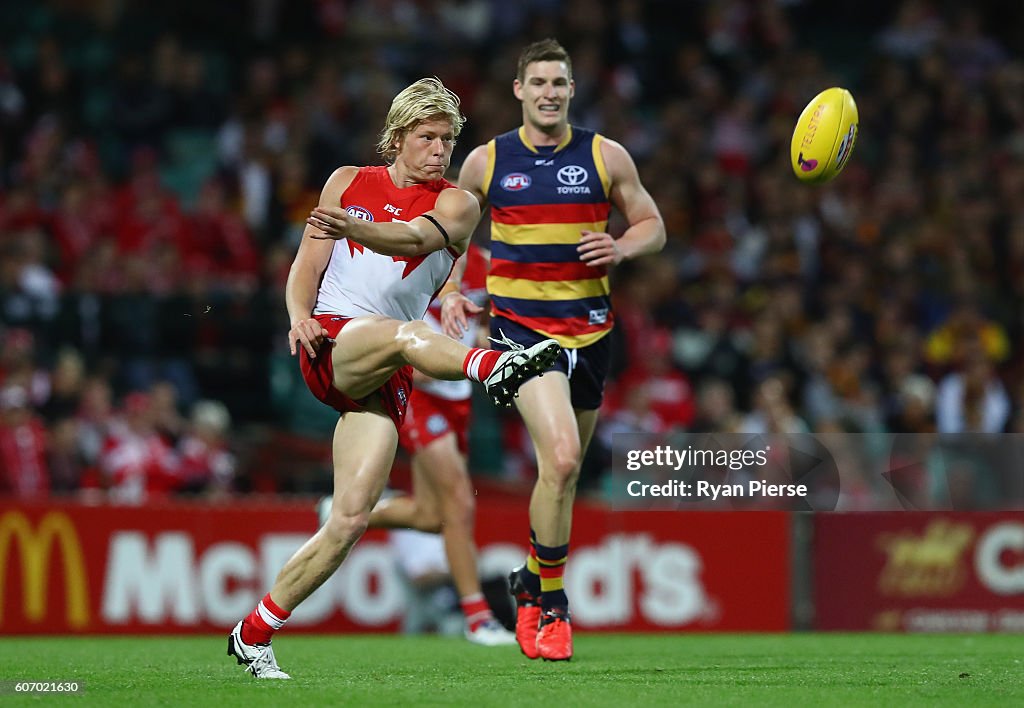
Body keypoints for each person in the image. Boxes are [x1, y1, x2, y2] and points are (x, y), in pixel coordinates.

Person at [227, 77, 561, 679]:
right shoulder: (346, 180)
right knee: (405, 334)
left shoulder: (458, 204)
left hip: (381, 378)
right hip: (334, 341)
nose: (440, 150)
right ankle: (494, 367)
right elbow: (304, 267)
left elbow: (411, 239)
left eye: (448, 139)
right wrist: (299, 317)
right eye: (428, 138)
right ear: (398, 136)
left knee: (350, 519)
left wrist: (355, 229)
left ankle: (254, 633)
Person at [443, 39, 666, 661]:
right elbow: (453, 234)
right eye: (537, 82)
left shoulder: (605, 155)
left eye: (559, 84)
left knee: (560, 478)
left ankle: (525, 579)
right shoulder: (486, 162)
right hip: (520, 331)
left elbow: (654, 224)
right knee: (563, 460)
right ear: (519, 89)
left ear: (571, 90)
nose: (548, 93)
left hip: (591, 333)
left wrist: (622, 246)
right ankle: (553, 607)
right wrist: (454, 288)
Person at [317, 244, 516, 646]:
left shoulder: (486, 264)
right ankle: (478, 618)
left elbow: (483, 322)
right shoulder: (409, 260)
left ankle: (345, 513)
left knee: (431, 514)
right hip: (420, 393)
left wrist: (481, 336)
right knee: (460, 500)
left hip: (458, 394)